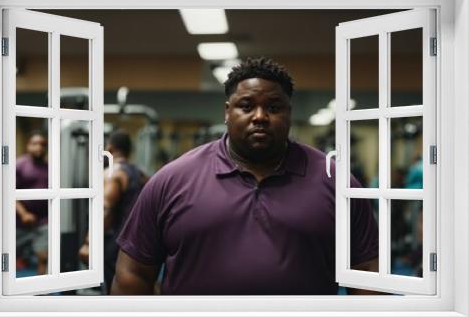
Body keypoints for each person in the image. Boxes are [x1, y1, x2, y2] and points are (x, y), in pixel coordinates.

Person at [112, 57, 378, 295]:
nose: (260, 116)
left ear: (289, 113)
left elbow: (367, 273)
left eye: (274, 107)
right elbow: (132, 274)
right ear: (228, 112)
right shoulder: (172, 180)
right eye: (247, 106)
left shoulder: (335, 182)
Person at [79, 130, 148, 294]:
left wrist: (90, 244)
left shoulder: (113, 173)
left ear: (109, 147)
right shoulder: (140, 173)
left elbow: (105, 208)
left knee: (113, 286)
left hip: (116, 241)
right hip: (137, 239)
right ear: (130, 150)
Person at [16, 130, 49, 275]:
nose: (39, 147)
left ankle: (43, 293)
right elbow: (9, 193)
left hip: (42, 222)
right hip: (19, 222)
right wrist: (23, 213)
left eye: (43, 144)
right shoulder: (20, 165)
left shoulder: (49, 166)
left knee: (43, 258)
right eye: (35, 144)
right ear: (28, 145)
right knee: (9, 256)